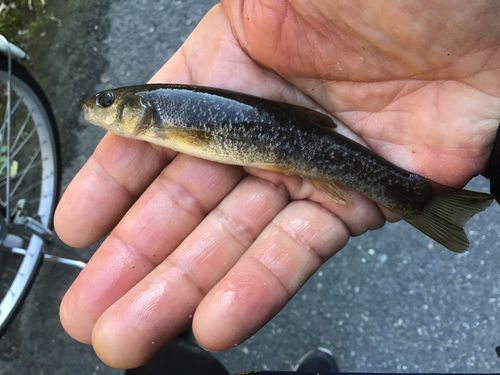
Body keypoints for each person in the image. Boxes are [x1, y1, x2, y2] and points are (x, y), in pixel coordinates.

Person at [54, 0, 500, 370]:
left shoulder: (163, 113)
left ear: (138, 109)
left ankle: (417, 198)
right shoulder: (162, 113)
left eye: (108, 103)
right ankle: (418, 199)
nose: (99, 108)